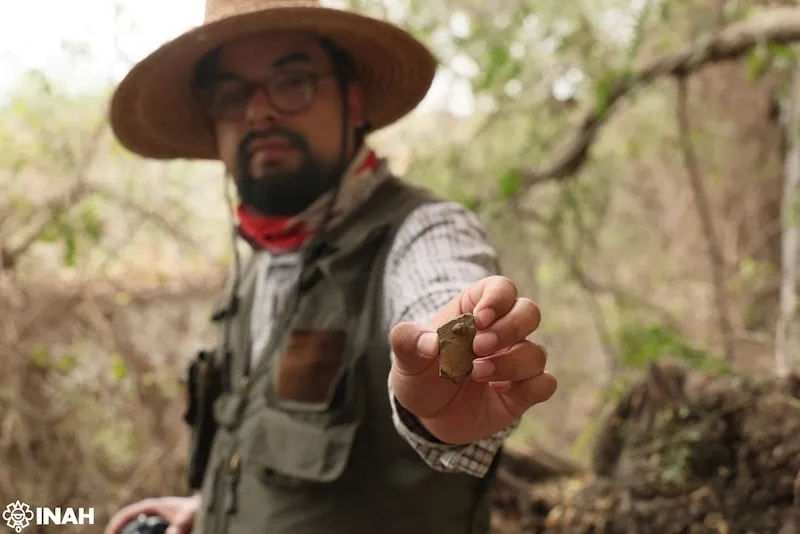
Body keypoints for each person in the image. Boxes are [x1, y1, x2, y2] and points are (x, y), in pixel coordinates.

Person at [103, 1, 557, 533]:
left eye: (291, 81)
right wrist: (208, 511)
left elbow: (443, 301)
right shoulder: (256, 269)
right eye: (231, 94)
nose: (259, 112)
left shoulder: (424, 231)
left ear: (354, 99)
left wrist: (446, 374)